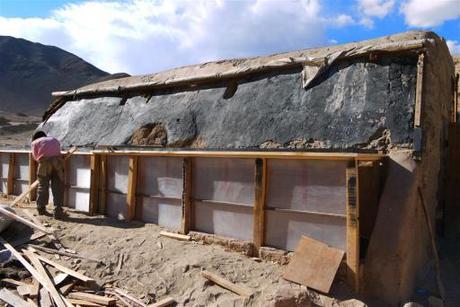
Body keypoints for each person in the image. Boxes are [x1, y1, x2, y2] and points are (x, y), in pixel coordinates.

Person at [31, 131, 66, 219]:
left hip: (44, 163)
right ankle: (58, 211)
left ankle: (41, 209)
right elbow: (58, 151)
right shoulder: (54, 139)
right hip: (57, 162)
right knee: (58, 187)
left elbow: (35, 157)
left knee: (43, 186)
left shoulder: (35, 142)